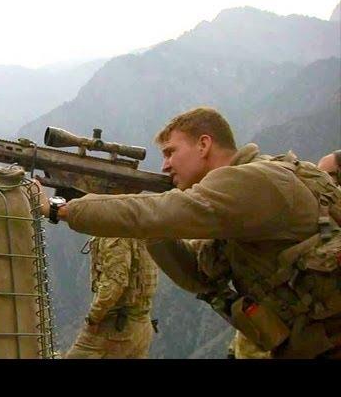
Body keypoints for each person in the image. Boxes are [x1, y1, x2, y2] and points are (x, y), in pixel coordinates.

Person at [39, 107, 341, 359]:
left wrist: (60, 208)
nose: (166, 165)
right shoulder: (234, 203)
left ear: (204, 144)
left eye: (171, 152)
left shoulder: (252, 181)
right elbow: (197, 275)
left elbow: (159, 212)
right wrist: (148, 223)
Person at [65, 237, 158, 359]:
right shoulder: (139, 229)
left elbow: (115, 284)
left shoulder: (114, 234)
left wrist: (93, 319)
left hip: (116, 328)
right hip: (141, 323)